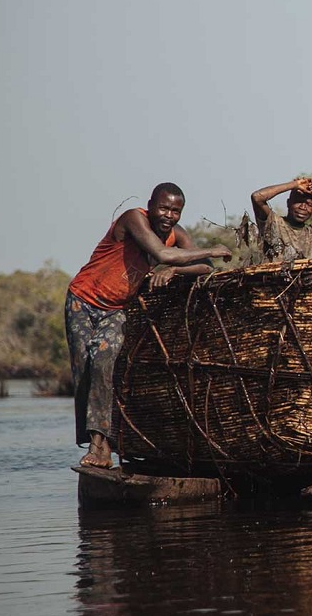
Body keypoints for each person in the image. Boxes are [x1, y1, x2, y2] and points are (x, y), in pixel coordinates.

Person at [66, 183, 233, 468]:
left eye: (176, 211)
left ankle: (100, 448)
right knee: (85, 370)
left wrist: (176, 270)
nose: (168, 215)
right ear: (151, 205)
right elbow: (164, 254)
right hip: (82, 301)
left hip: (115, 309)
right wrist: (214, 248)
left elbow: (205, 267)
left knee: (104, 362)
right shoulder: (134, 218)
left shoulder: (175, 235)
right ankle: (97, 442)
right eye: (164, 208)